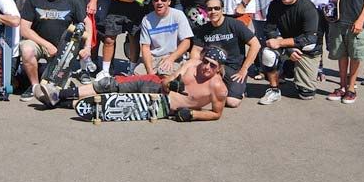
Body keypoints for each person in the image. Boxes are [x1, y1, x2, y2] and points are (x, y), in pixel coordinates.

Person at [36, 46, 229, 122]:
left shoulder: (218, 88)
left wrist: (193, 114)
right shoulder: (193, 64)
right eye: (206, 62)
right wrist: (171, 83)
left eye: (212, 66)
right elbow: (169, 79)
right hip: (155, 86)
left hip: (161, 107)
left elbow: (216, 114)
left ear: (218, 68)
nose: (206, 67)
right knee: (108, 84)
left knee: (106, 104)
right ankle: (58, 94)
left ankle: (59, 103)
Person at [19, 0, 91, 101]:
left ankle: (50, 82)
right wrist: (46, 44)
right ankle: (34, 87)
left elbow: (88, 23)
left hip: (64, 49)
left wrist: (87, 47)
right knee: (27, 49)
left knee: (59, 91)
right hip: (40, 44)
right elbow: (24, 29)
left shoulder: (72, 1)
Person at [258, 0, 322, 104]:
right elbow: (269, 30)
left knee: (306, 93)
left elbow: (309, 38)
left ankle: (292, 70)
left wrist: (282, 43)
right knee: (268, 53)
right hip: (288, 47)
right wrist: (288, 49)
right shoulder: (274, 5)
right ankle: (274, 90)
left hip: (307, 49)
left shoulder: (307, 7)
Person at [190, 0, 260, 108]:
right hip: (212, 67)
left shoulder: (234, 24)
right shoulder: (203, 29)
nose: (213, 12)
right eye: (209, 9)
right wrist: (197, 67)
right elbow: (196, 50)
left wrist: (244, 69)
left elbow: (255, 44)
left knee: (232, 102)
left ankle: (237, 89)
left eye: (216, 8)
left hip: (234, 69)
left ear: (222, 9)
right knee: (195, 92)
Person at [139, 0, 193, 76]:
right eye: (156, 0)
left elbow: (186, 42)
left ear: (169, 2)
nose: (159, 2)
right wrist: (149, 71)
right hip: (153, 58)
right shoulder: (146, 19)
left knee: (164, 75)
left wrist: (171, 58)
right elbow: (145, 47)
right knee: (137, 77)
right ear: (152, 2)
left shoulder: (178, 15)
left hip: (173, 56)